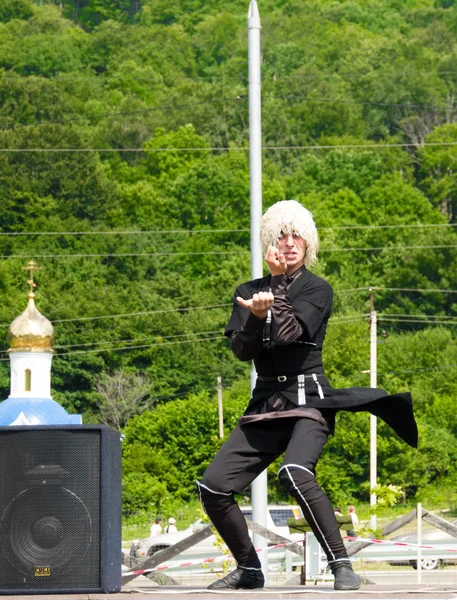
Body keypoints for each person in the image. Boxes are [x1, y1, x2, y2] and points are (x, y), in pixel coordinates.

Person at [197, 200, 418, 591]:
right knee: (213, 486)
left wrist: (277, 289)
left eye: (297, 234)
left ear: (308, 242)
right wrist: (255, 316)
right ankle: (249, 569)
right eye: (281, 234)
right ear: (269, 242)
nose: (289, 242)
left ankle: (341, 564)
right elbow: (242, 352)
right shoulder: (247, 291)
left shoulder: (318, 288)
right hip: (265, 403)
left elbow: (290, 333)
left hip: (308, 400)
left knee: (295, 472)